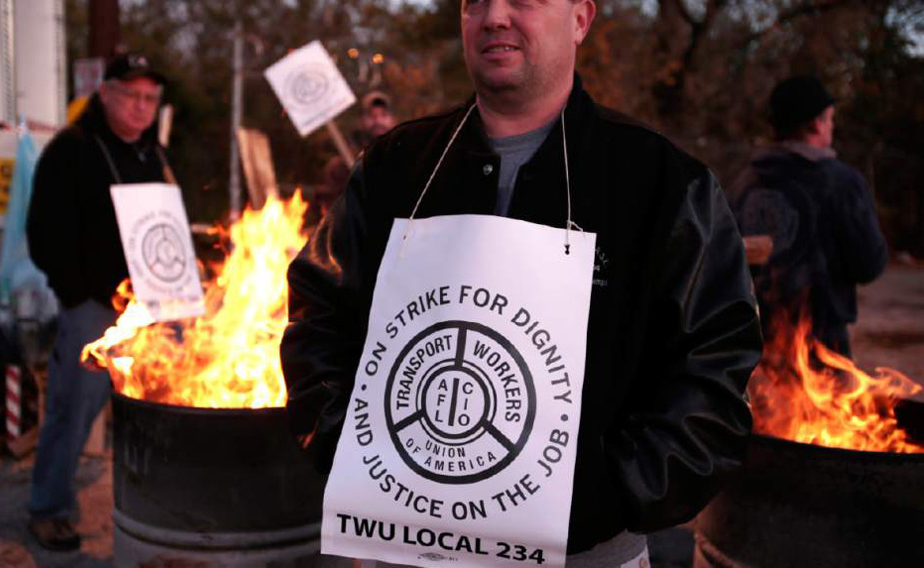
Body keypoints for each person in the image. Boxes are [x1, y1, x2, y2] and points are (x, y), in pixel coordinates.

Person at [281, 1, 761, 566]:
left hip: (586, 554)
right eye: (475, 1)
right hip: (404, 545)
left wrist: (609, 491)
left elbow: (714, 371)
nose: (495, 17)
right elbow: (318, 318)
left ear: (581, 18)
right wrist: (349, 446)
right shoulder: (395, 168)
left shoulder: (661, 183)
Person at [25, 53, 170, 551]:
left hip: (149, 306)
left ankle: (161, 501)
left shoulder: (153, 153)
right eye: (130, 94)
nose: (140, 106)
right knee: (73, 408)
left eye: (150, 98)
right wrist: (75, 293)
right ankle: (49, 509)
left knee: (165, 404)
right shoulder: (72, 149)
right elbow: (41, 230)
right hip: (92, 307)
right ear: (105, 93)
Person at [730, 75, 888, 356]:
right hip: (821, 348)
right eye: (830, 119)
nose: (831, 126)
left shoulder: (744, 181)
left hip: (758, 346)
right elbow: (869, 264)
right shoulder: (841, 182)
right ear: (815, 122)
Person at [312, 92, 399, 227]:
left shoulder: (408, 158)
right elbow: (327, 212)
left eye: (383, 115)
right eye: (372, 116)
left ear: (393, 119)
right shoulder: (339, 167)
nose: (378, 121)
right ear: (361, 122)